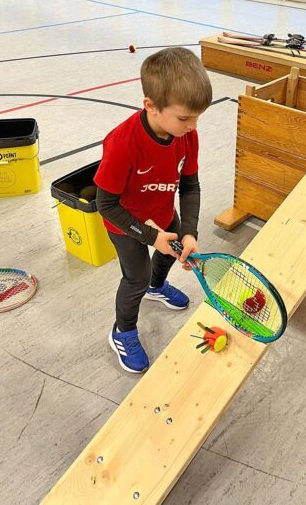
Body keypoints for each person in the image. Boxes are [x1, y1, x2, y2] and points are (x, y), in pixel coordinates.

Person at [94, 47, 212, 374]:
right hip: (125, 222)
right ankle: (122, 331)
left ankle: (157, 288)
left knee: (170, 252)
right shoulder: (122, 143)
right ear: (151, 106)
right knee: (136, 277)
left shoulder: (187, 135)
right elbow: (105, 205)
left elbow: (190, 185)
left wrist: (189, 232)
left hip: (162, 212)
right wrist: (150, 236)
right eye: (184, 118)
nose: (192, 126)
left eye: (197, 117)